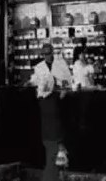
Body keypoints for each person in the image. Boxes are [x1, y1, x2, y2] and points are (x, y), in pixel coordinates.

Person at [29, 43, 72, 181]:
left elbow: (67, 79)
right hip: (46, 103)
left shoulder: (61, 64)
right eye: (44, 54)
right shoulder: (39, 67)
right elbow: (35, 81)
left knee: (57, 139)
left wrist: (64, 89)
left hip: (59, 101)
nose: (46, 56)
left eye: (48, 53)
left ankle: (56, 172)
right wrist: (30, 83)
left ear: (53, 52)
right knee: (51, 140)